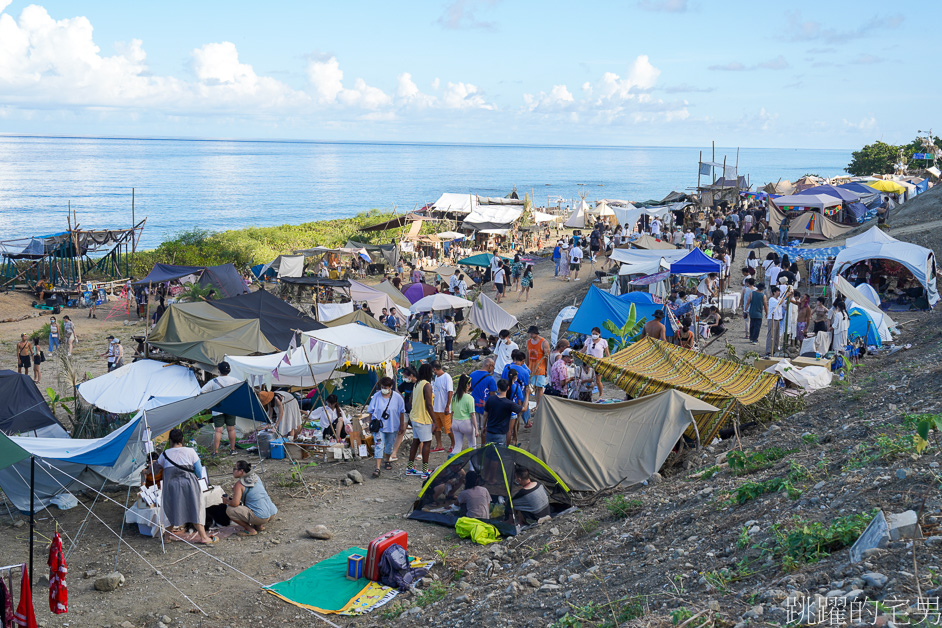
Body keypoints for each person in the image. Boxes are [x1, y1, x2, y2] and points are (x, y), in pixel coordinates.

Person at [158, 429, 215, 545]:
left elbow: (156, 468)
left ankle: (167, 538)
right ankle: (204, 537)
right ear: (182, 440)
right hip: (189, 485)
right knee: (195, 509)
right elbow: (199, 471)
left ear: (170, 440)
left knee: (172, 510)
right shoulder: (190, 451)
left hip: (172, 487)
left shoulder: (165, 454)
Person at [221, 460, 277, 536]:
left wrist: (227, 501)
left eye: (234, 469)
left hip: (261, 517)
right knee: (256, 502)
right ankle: (259, 525)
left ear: (241, 471)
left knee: (230, 510)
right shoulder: (255, 477)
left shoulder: (239, 484)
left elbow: (235, 503)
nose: (233, 471)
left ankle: (250, 529)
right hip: (272, 512)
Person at [200, 361, 242, 456]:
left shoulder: (213, 382)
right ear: (229, 370)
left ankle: (215, 452)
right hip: (231, 407)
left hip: (218, 408)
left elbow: (202, 391)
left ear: (219, 371)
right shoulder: (234, 380)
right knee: (231, 429)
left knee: (218, 430)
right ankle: (232, 449)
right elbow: (242, 388)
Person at [369, 377, 407, 478]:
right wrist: (370, 424)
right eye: (382, 387)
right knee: (379, 445)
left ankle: (387, 460)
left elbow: (402, 412)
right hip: (379, 427)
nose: (384, 389)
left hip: (392, 426)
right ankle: (377, 468)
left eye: (386, 387)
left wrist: (402, 425)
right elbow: (370, 411)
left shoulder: (397, 398)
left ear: (391, 387)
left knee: (389, 445)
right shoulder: (376, 396)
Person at [407, 364, 435, 478]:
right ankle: (424, 471)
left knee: (416, 442)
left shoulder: (417, 384)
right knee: (427, 443)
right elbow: (429, 404)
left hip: (414, 417)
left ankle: (409, 468)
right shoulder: (427, 385)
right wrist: (435, 420)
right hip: (423, 419)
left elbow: (410, 401)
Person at [481, 379, 521, 446]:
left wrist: (483, 426)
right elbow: (523, 409)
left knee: (489, 452)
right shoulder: (509, 404)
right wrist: (527, 395)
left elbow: (485, 414)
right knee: (500, 453)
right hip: (501, 434)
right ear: (508, 388)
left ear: (497, 388)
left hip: (490, 432)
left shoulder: (490, 399)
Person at [468, 358, 498, 442]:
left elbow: (469, 388)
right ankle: (483, 447)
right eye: (493, 367)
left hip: (473, 406)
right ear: (489, 366)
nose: (493, 369)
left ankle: (473, 446)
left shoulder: (472, 374)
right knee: (484, 428)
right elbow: (492, 396)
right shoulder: (490, 379)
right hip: (485, 408)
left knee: (474, 428)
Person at [502, 349, 532, 429]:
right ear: (523, 361)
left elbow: (502, 380)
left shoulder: (506, 368)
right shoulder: (525, 372)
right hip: (518, 396)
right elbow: (526, 386)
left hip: (506, 393)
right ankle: (516, 432)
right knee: (517, 415)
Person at [450, 374, 477, 456]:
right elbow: (472, 414)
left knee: (457, 446)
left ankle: (453, 465)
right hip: (466, 423)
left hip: (455, 422)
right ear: (468, 386)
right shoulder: (470, 398)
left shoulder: (454, 396)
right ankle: (473, 467)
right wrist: (476, 428)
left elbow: (452, 412)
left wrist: (451, 424)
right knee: (472, 445)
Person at [431, 361, 454, 454]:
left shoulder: (447, 377)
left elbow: (450, 392)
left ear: (434, 369)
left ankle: (453, 444)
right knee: (437, 428)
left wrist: (447, 406)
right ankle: (439, 445)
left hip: (444, 408)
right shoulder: (436, 377)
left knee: (448, 429)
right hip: (436, 407)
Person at [526, 326, 551, 409]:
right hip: (531, 368)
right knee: (534, 387)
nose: (530, 335)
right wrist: (527, 366)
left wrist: (546, 369)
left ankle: (538, 406)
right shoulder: (528, 342)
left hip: (540, 368)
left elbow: (547, 357)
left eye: (531, 333)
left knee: (539, 388)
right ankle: (537, 405)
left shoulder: (544, 342)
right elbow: (527, 355)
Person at [584, 327, 609, 400]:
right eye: (593, 334)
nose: (594, 335)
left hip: (598, 364)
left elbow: (607, 353)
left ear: (599, 334)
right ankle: (588, 393)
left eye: (596, 334)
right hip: (589, 363)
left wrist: (608, 362)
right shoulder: (588, 340)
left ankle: (600, 395)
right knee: (588, 379)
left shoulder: (603, 341)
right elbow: (583, 350)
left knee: (598, 381)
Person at [766, 286, 786, 357]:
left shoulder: (779, 299)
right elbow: (779, 303)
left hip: (777, 319)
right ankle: (769, 350)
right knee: (771, 335)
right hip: (772, 318)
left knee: (776, 335)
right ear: (774, 292)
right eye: (778, 291)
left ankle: (775, 349)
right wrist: (786, 295)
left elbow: (784, 302)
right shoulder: (772, 299)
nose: (779, 293)